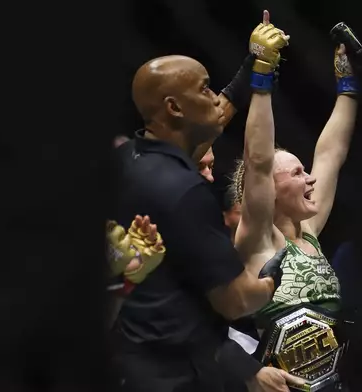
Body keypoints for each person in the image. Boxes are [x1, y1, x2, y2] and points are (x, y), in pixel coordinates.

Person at [112, 36, 289, 391]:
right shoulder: (185, 191)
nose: (213, 98)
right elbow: (236, 302)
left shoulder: (126, 161)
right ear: (175, 108)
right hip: (181, 376)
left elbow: (207, 122)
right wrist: (271, 281)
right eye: (205, 88)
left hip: (131, 368)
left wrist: (254, 68)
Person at [230, 14, 360, 391]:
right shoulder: (258, 240)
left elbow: (332, 151)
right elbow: (257, 160)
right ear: (269, 191)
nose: (311, 179)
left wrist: (348, 84)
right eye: (298, 173)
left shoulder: (311, 232)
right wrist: (262, 75)